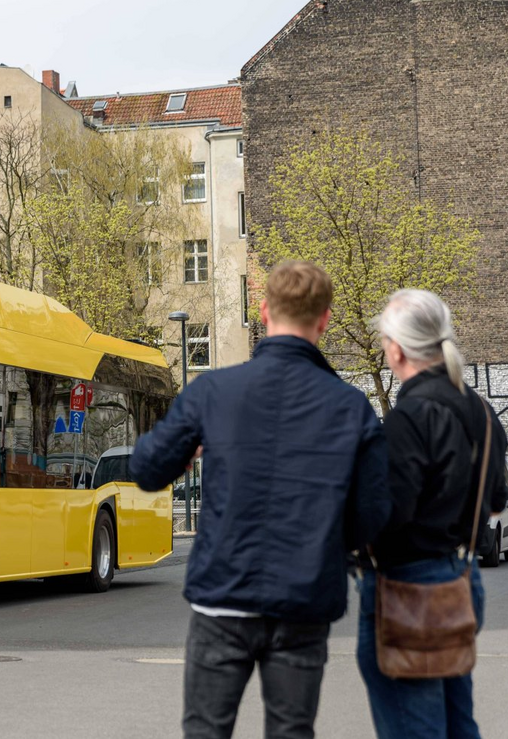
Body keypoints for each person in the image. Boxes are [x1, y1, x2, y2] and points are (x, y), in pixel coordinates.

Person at [129, 261, 391, 739]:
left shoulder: (212, 391)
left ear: (264, 310)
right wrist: (327, 540)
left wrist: (184, 451)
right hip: (304, 598)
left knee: (206, 731)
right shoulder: (350, 407)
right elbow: (374, 514)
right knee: (292, 731)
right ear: (325, 319)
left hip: (223, 596)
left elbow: (147, 468)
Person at [356, 289, 508, 739]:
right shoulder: (481, 409)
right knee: (459, 724)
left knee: (414, 729)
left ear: (397, 347)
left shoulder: (411, 416)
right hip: (460, 581)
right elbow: (498, 498)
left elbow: (390, 512)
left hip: (410, 593)